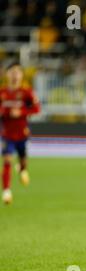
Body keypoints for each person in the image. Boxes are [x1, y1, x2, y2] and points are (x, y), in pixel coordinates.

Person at [0, 62, 40, 205]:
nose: (15, 75)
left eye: (18, 72)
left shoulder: (26, 93)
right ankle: (6, 192)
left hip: (22, 134)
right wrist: (4, 112)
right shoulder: (2, 93)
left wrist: (21, 112)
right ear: (7, 74)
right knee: (7, 160)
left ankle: (22, 170)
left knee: (23, 160)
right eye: (12, 72)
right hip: (7, 134)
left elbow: (36, 109)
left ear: (22, 75)